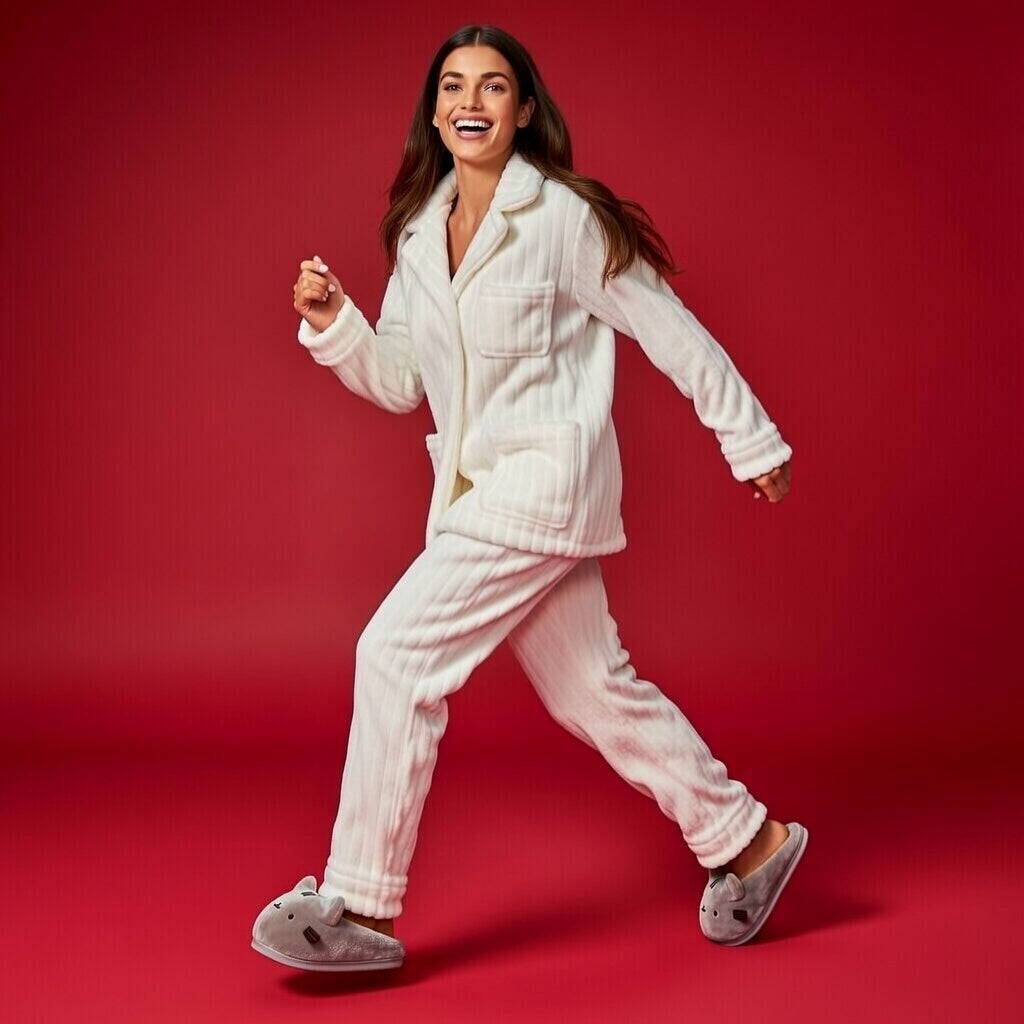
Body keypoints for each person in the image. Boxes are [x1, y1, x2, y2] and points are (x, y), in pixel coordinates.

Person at [251, 24, 806, 973]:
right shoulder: (418, 234)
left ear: (523, 112)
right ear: (435, 111)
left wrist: (747, 437)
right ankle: (746, 842)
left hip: (540, 485)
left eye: (495, 86)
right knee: (595, 688)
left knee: (394, 655)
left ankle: (362, 906)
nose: (473, 101)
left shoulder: (563, 220)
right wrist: (335, 323)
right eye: (456, 85)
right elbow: (398, 380)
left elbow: (670, 330)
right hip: (473, 493)